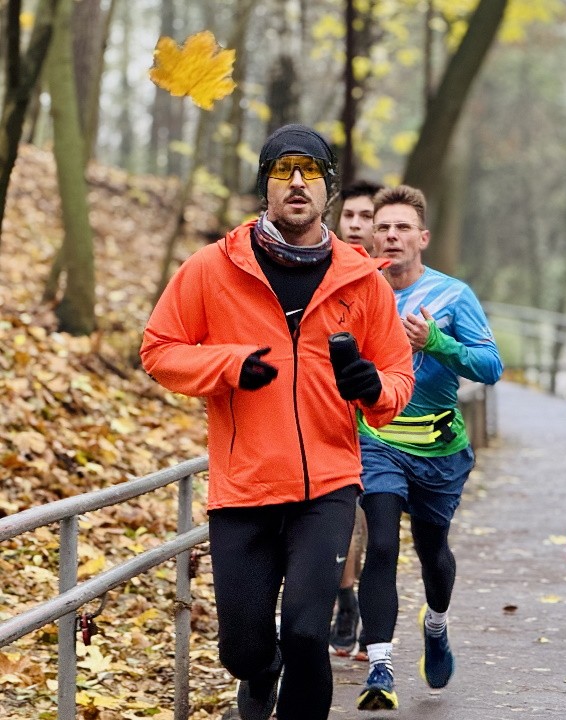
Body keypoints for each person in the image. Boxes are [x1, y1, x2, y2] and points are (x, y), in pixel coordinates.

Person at [140, 124, 415, 720]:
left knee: (307, 634)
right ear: (264, 185)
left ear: (330, 189)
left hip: (327, 487)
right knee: (245, 650)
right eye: (283, 170)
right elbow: (159, 349)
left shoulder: (361, 279)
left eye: (310, 171)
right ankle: (259, 674)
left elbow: (396, 376)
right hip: (244, 488)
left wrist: (375, 388)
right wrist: (229, 363)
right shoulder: (212, 269)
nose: (297, 182)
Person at [355, 185, 503, 711]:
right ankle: (380, 666)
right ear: (372, 235)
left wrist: (436, 343)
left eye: (401, 228)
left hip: (439, 446)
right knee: (381, 546)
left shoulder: (453, 295)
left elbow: (491, 368)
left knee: (432, 550)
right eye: (383, 227)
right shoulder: (356, 289)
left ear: (422, 237)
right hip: (376, 439)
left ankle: (436, 623)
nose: (391, 235)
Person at [330, 178, 384, 659]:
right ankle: (346, 601)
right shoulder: (321, 271)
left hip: (381, 425)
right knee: (347, 520)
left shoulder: (387, 281)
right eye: (348, 216)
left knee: (373, 522)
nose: (355, 225)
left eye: (365, 218)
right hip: (330, 423)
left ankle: (364, 609)